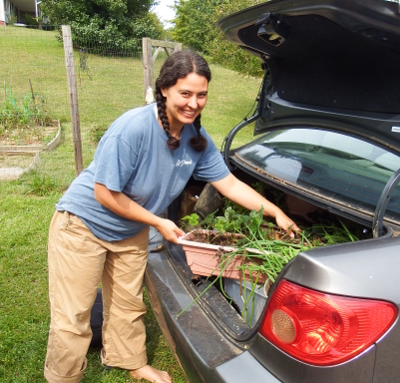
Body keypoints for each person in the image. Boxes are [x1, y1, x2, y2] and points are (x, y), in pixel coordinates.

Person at [44, 50, 299, 383]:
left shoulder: (197, 140)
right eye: (185, 93)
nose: (194, 103)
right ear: (164, 89)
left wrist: (277, 212)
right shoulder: (133, 128)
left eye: (201, 94)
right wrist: (158, 221)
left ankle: (131, 362)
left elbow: (230, 184)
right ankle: (63, 377)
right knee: (73, 315)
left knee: (127, 304)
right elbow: (104, 193)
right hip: (83, 225)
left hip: (131, 228)